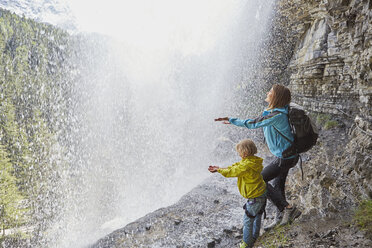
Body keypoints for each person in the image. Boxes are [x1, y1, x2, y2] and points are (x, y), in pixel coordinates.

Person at [214, 84, 301, 230]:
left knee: (259, 180)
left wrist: (232, 120)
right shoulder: (276, 111)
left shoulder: (276, 115)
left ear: (276, 96)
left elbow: (254, 123)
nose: (268, 92)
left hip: (285, 157)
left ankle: (288, 208)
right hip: (286, 155)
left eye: (271, 92)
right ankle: (281, 215)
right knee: (278, 185)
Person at [209, 139, 266, 248]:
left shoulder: (246, 166)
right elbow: (235, 166)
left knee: (248, 220)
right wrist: (220, 168)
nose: (238, 154)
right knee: (257, 215)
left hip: (254, 197)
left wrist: (219, 171)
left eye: (239, 152)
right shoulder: (253, 161)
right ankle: (255, 236)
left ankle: (246, 243)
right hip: (261, 192)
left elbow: (232, 172)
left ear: (244, 153)